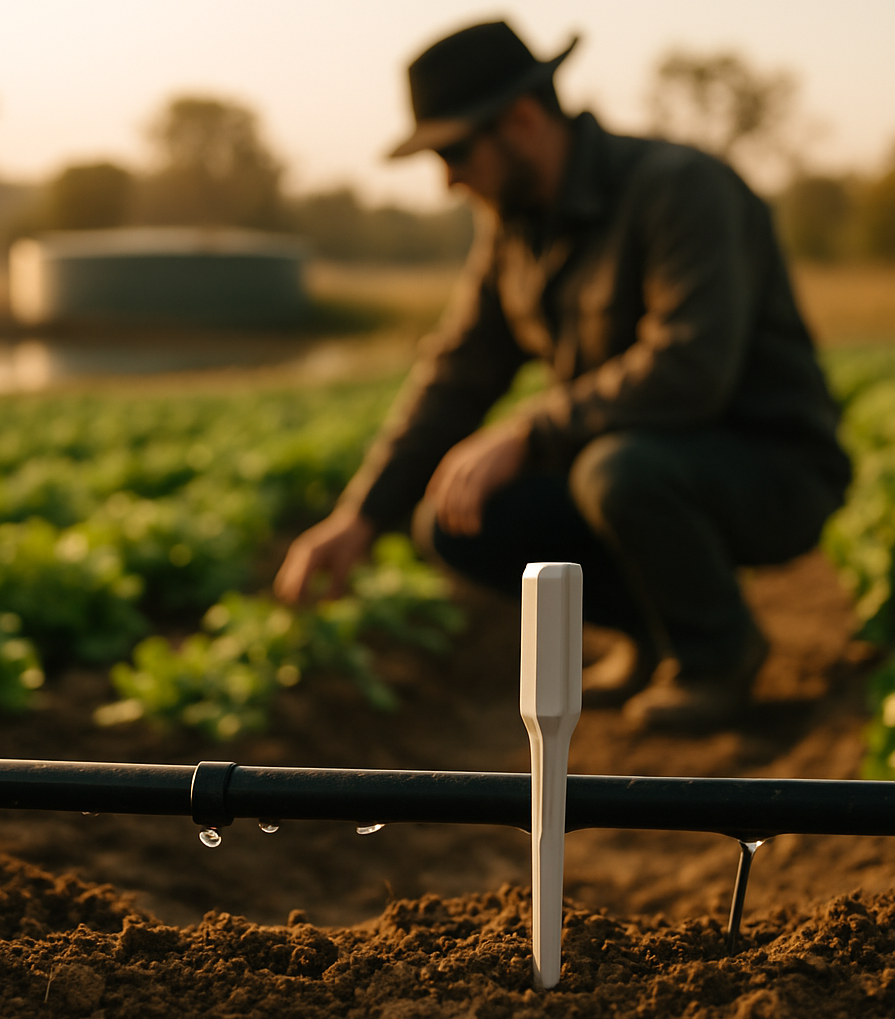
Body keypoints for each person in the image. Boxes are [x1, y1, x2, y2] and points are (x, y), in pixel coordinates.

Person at [274, 21, 851, 731]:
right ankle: (652, 635)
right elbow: (457, 375)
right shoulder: (514, 234)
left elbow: (689, 369)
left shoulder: (681, 189)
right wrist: (358, 516)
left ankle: (718, 655)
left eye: (454, 151)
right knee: (461, 517)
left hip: (771, 471)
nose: (449, 179)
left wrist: (527, 429)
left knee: (619, 469)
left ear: (521, 120)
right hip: (633, 473)